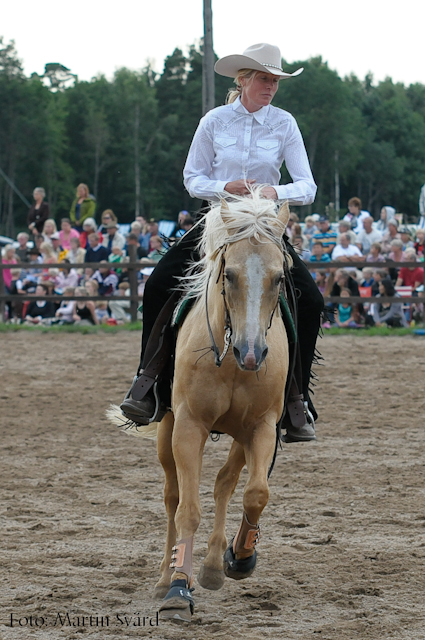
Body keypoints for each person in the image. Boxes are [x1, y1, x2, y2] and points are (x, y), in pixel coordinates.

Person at [120, 42, 322, 443]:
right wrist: (222, 186)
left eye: (275, 80)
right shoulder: (214, 121)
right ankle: (147, 385)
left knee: (311, 300)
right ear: (244, 80)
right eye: (265, 79)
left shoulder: (284, 123)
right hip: (218, 218)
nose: (271, 87)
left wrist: (273, 192)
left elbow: (308, 186)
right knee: (159, 283)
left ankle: (296, 398)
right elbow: (192, 178)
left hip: (264, 224)